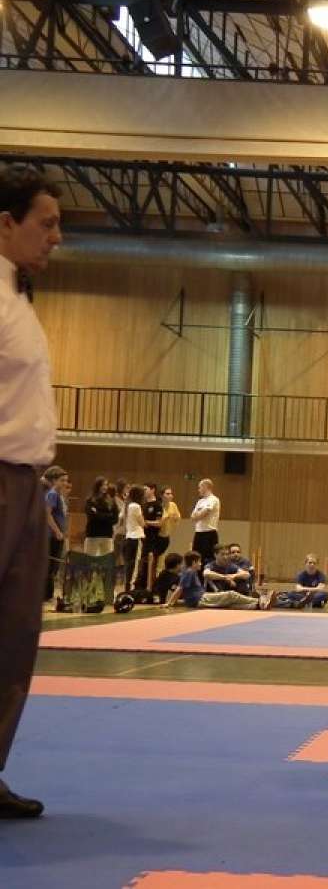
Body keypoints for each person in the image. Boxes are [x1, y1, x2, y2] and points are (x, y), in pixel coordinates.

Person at [0, 164, 62, 818]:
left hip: (27, 485)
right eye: (46, 224)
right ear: (5, 223)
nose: (56, 237)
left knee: (16, 636)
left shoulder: (18, 300)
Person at [198, 545, 258, 609]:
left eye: (227, 554)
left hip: (224, 598)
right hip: (213, 596)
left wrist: (233, 576)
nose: (225, 557)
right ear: (215, 555)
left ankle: (258, 605)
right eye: (222, 554)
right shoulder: (211, 565)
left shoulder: (230, 565)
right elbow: (206, 573)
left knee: (236, 605)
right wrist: (225, 578)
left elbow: (247, 574)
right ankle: (258, 601)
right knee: (231, 595)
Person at [44, 465, 69, 602]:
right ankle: (46, 595)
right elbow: (47, 514)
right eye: (62, 480)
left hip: (58, 536)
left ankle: (49, 594)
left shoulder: (59, 495)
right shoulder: (53, 494)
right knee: (50, 566)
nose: (65, 483)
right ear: (54, 481)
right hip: (52, 536)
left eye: (66, 480)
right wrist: (57, 531)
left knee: (54, 567)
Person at [121, 485, 147, 596]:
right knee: (135, 565)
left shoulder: (127, 505)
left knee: (128, 564)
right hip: (137, 537)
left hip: (128, 537)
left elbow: (121, 518)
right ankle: (130, 589)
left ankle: (127, 587)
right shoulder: (136, 506)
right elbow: (142, 523)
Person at [83, 476, 118, 556]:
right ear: (97, 486)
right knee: (89, 560)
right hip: (92, 535)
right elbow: (91, 516)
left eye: (106, 485)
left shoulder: (111, 501)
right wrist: (108, 516)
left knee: (106, 561)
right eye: (103, 485)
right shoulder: (90, 500)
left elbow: (115, 519)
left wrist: (98, 513)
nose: (105, 487)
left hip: (107, 535)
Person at [190, 479, 220, 562]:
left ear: (205, 487)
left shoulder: (213, 499)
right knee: (195, 558)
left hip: (209, 533)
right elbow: (192, 517)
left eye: (199, 487)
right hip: (198, 532)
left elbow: (205, 513)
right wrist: (199, 515)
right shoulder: (200, 501)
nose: (198, 490)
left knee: (208, 559)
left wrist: (198, 515)